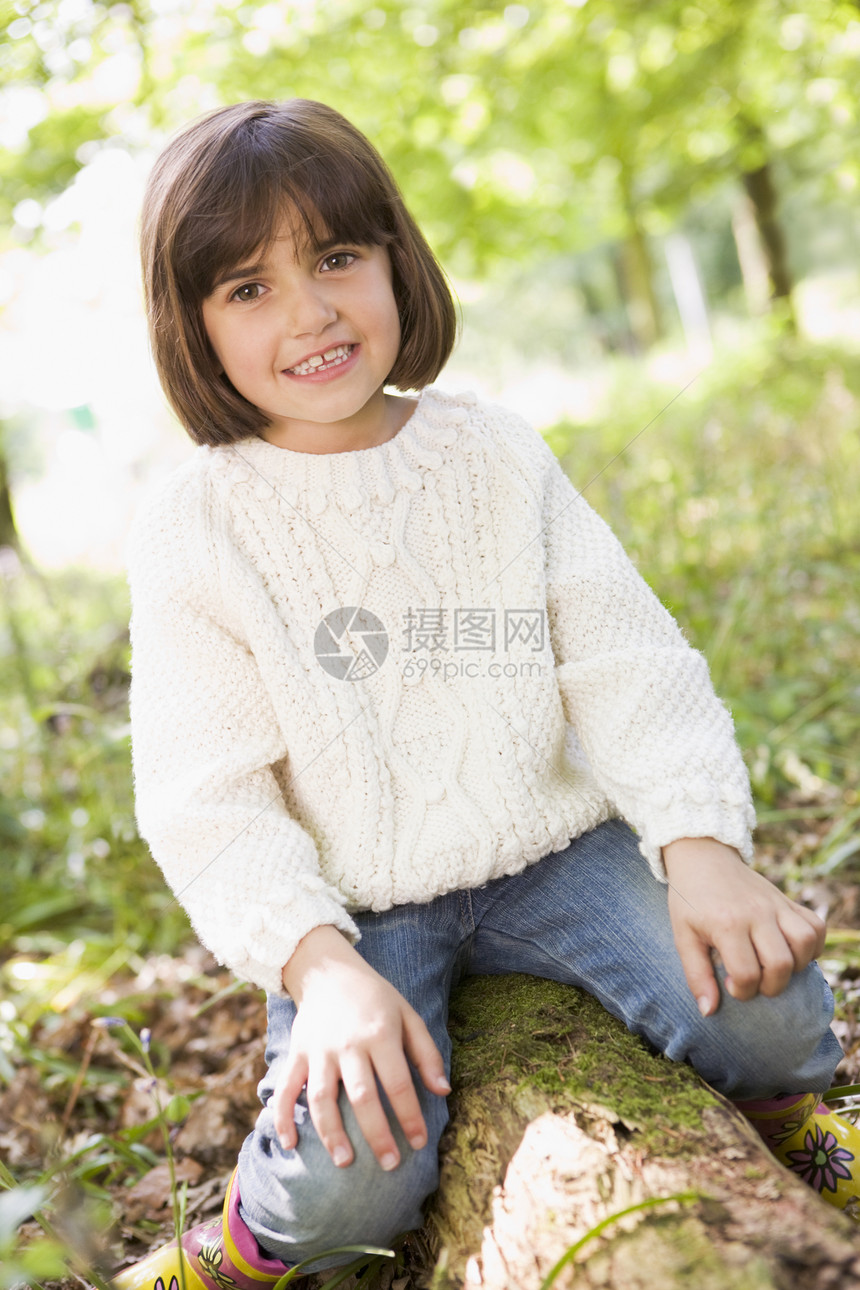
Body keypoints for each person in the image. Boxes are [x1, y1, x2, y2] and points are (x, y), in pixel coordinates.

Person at [116, 99, 857, 1289]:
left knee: (774, 1016)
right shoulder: (195, 524)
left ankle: (784, 1138)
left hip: (553, 852)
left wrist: (699, 842)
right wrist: (318, 968)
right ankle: (239, 1248)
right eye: (246, 288)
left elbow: (623, 656)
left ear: (394, 261)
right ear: (190, 326)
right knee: (348, 1189)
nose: (309, 312)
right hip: (362, 913)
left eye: (336, 258)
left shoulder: (495, 455)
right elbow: (206, 793)